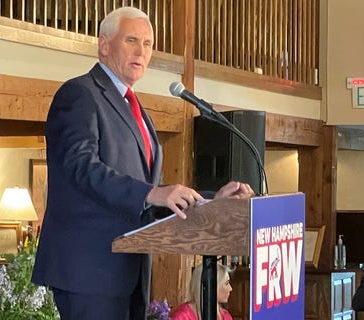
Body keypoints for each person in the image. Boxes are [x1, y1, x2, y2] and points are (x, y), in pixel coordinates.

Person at [30, 6, 254, 320]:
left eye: (148, 44)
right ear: (104, 45)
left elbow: (151, 195)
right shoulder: (80, 95)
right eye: (132, 41)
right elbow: (82, 167)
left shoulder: (137, 110)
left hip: (129, 272)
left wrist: (211, 202)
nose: (141, 51)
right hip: (89, 271)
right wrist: (151, 194)